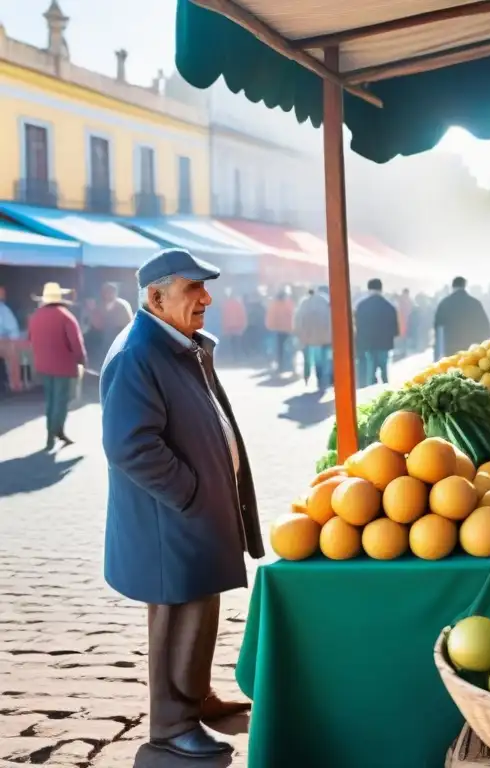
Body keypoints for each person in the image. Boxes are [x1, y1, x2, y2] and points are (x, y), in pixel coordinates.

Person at [99, 248, 264, 759]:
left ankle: (194, 697)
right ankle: (171, 725)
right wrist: (191, 492)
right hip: (170, 519)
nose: (206, 298)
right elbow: (130, 445)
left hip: (190, 514)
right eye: (194, 288)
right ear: (156, 296)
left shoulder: (177, 343)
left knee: (200, 603)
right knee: (177, 612)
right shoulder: (137, 354)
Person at [27, 282, 86, 449]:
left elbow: (30, 339)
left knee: (51, 400)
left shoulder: (35, 316)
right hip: (63, 367)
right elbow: (76, 344)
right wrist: (82, 360)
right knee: (61, 400)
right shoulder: (66, 317)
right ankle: (55, 432)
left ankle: (52, 433)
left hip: (44, 365)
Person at [433, 276, 490, 360]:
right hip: (470, 343)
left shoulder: (445, 303)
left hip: (451, 344)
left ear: (452, 286)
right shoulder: (474, 303)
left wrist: (437, 352)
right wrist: (483, 342)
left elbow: (438, 327)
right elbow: (484, 324)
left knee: (452, 369)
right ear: (464, 286)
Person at [354, 278, 399, 387]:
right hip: (384, 344)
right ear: (381, 288)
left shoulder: (361, 305)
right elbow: (395, 329)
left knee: (370, 371)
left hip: (368, 344)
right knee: (384, 371)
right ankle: (386, 393)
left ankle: (371, 393)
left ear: (369, 289)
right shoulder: (389, 306)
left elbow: (358, 326)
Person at [293, 287, 332, 390]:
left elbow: (298, 319)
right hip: (325, 336)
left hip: (308, 336)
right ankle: (323, 380)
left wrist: (298, 333)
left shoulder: (305, 302)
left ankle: (310, 377)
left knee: (311, 359)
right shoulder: (327, 302)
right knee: (324, 360)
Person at [99, 282, 133, 359]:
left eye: (110, 292)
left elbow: (128, 322)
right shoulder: (102, 305)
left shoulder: (122, 305)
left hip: (121, 335)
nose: (108, 294)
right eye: (106, 292)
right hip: (107, 336)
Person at [265, 287, 295, 374]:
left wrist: (270, 326)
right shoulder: (289, 303)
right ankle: (290, 366)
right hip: (289, 330)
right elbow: (293, 315)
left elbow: (270, 316)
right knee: (290, 349)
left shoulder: (274, 304)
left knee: (280, 349)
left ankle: (281, 366)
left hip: (278, 330)